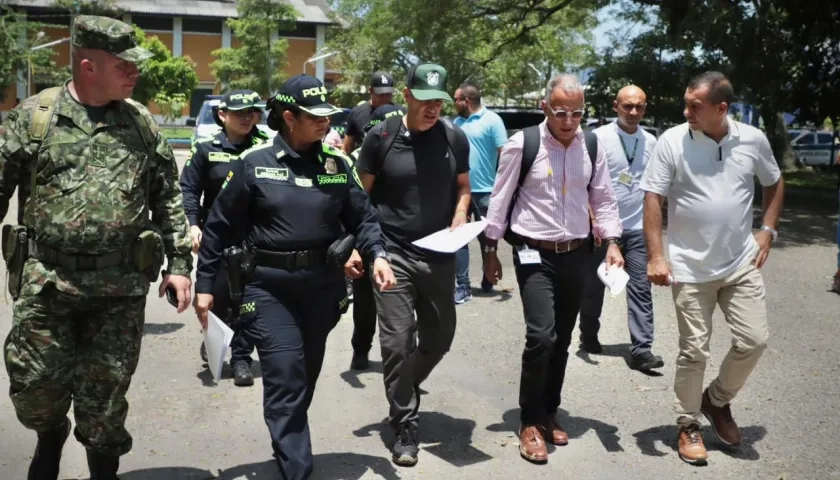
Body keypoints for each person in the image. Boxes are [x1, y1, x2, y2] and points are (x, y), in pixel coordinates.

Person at [0, 15, 194, 480]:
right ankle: (49, 438)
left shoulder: (141, 123)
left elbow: (167, 194)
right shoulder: (34, 119)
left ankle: (102, 469)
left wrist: (181, 263)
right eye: (124, 65)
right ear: (89, 66)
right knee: (34, 389)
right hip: (47, 284)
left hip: (118, 290)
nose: (135, 73)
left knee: (104, 401)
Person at [193, 74, 396, 480]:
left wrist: (377, 255)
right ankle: (297, 469)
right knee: (285, 374)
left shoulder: (338, 165)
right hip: (267, 288)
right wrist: (204, 287)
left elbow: (364, 217)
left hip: (321, 289)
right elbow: (217, 228)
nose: (326, 123)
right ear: (288, 117)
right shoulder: (254, 164)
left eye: (329, 116)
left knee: (303, 377)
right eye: (316, 116)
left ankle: (286, 437)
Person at [640, 71, 784, 465]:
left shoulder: (752, 139)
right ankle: (688, 423)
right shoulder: (672, 140)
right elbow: (652, 198)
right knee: (693, 351)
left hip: (740, 263)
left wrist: (767, 230)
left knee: (754, 340)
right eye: (686, 103)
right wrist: (657, 256)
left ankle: (716, 401)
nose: (685, 111)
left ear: (722, 108)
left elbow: (774, 181)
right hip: (689, 267)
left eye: (694, 106)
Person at [482, 74, 624, 464]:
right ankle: (528, 420)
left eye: (577, 113)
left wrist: (612, 241)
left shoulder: (591, 145)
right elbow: (500, 198)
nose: (569, 120)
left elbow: (604, 198)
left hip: (577, 253)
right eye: (561, 112)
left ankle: (549, 412)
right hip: (534, 254)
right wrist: (490, 249)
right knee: (541, 336)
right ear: (546, 108)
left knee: (562, 337)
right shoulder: (522, 144)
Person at [352, 63, 471, 466]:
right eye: (424, 100)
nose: (432, 108)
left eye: (438, 101)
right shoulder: (380, 137)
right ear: (407, 96)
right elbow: (359, 198)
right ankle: (404, 422)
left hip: (439, 254)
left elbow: (463, 188)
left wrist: (461, 213)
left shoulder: (454, 138)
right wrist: (363, 249)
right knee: (397, 343)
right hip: (392, 255)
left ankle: (405, 384)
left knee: (440, 339)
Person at [180, 89, 268, 386]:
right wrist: (193, 225)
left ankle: (242, 357)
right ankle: (216, 339)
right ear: (222, 115)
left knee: (247, 298)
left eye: (252, 113)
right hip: (216, 235)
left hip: (253, 235)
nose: (247, 118)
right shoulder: (206, 148)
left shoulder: (265, 147)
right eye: (240, 113)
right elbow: (189, 189)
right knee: (216, 294)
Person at [579, 85, 664, 371]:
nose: (633, 112)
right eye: (628, 106)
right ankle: (588, 334)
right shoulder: (597, 138)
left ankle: (642, 349)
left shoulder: (651, 142)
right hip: (602, 229)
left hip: (639, 229)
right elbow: (585, 184)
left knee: (640, 288)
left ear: (645, 108)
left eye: (639, 106)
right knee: (593, 288)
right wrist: (594, 223)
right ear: (615, 106)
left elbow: (657, 187)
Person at [347, 103, 406, 370]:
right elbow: (351, 206)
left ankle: (404, 354)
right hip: (368, 236)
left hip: (401, 238)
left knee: (404, 302)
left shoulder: (408, 151)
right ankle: (361, 349)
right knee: (365, 302)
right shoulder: (355, 159)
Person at [452, 82, 508, 303]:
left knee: (488, 240)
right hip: (459, 191)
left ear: (466, 100)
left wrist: (506, 188)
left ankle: (488, 273)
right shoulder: (455, 124)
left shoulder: (492, 120)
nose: (453, 103)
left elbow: (505, 155)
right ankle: (463, 286)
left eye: (456, 99)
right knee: (459, 238)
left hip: (487, 192)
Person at [342, 71, 395, 153]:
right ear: (370, 90)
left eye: (388, 94)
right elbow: (346, 148)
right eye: (380, 94)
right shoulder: (356, 113)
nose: (385, 98)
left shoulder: (400, 112)